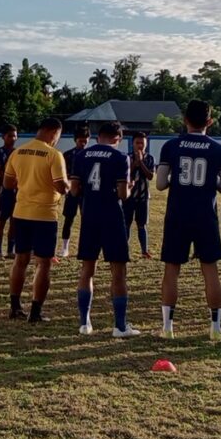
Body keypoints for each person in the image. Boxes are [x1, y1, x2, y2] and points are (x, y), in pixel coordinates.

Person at [156, 101, 221, 341]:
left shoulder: (171, 146)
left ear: (184, 119)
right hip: (205, 215)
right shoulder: (220, 150)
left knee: (172, 269)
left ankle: (168, 327)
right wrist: (212, 182)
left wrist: (174, 180)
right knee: (210, 270)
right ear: (210, 122)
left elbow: (160, 184)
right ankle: (216, 328)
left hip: (177, 213)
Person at [71, 121, 140, 338]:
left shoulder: (80, 155)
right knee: (118, 272)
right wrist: (129, 188)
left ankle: (85, 323)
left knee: (87, 269)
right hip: (112, 216)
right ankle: (119, 325)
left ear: (98, 136)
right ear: (117, 138)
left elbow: (74, 191)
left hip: (89, 215)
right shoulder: (121, 157)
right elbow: (122, 194)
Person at [6, 118, 68, 323]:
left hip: (21, 212)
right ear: (53, 132)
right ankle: (35, 311)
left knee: (20, 260)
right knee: (43, 263)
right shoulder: (53, 155)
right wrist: (68, 186)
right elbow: (60, 186)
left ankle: (14, 306)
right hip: (45, 214)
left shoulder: (18, 152)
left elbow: (7, 183)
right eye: (58, 136)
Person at [59, 127, 91, 258]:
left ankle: (84, 247)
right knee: (69, 219)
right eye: (80, 141)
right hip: (72, 191)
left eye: (85, 141)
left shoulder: (90, 154)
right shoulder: (67, 155)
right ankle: (65, 247)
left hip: (86, 192)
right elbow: (63, 173)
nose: (83, 144)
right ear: (75, 140)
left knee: (87, 220)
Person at [124, 131, 155, 259]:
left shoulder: (150, 158)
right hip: (129, 196)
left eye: (142, 143)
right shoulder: (126, 157)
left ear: (146, 144)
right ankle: (124, 249)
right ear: (133, 144)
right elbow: (124, 175)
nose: (140, 145)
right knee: (126, 223)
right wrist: (134, 164)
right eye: (137, 143)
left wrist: (141, 163)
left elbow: (150, 176)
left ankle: (144, 250)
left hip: (143, 196)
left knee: (142, 224)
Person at [0, 125, 19, 259]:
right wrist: (11, 178)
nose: (13, 138)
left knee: (14, 222)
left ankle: (10, 250)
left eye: (14, 136)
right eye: (10, 136)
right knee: (1, 222)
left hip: (17, 194)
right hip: (3, 194)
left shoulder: (19, 153)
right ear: (3, 137)